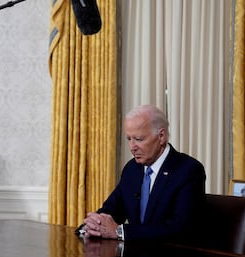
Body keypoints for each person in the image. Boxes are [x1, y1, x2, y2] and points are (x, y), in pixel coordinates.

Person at [79, 104, 206, 243]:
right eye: (129, 139)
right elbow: (112, 208)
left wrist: (120, 232)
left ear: (161, 136)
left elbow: (180, 228)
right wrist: (91, 225)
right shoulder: (132, 169)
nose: (132, 147)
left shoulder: (188, 170)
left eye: (139, 139)